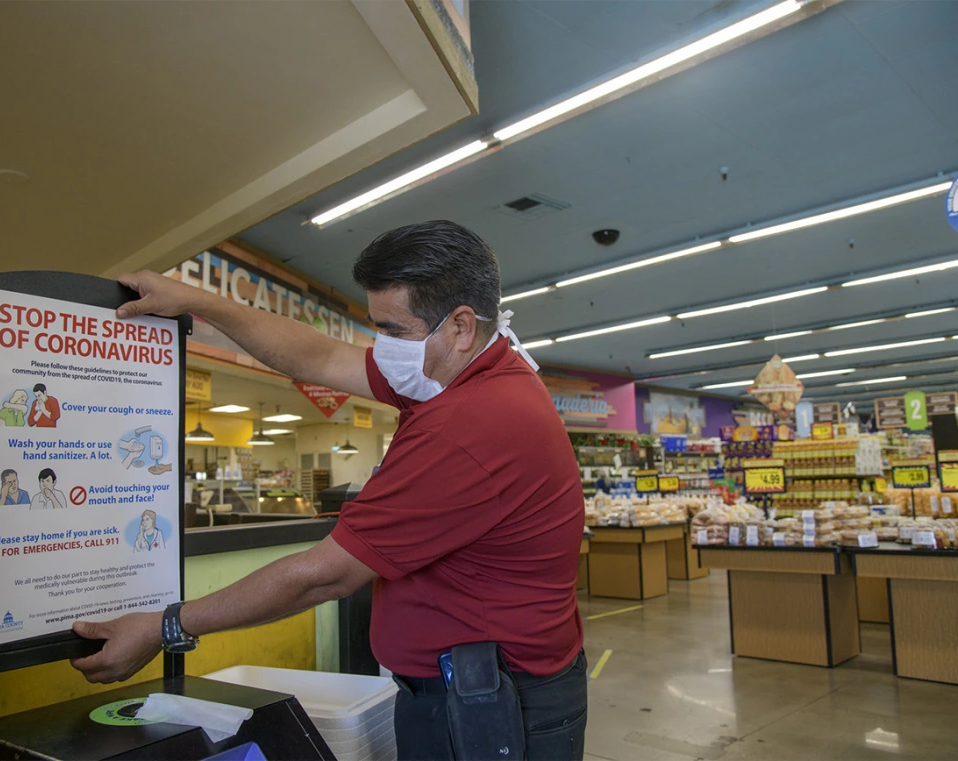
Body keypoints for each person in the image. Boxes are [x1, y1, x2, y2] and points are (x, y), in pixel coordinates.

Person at [69, 221, 586, 759]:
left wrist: (164, 626)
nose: (380, 346)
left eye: (392, 329)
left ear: (459, 326)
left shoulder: (469, 423)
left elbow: (321, 578)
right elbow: (318, 357)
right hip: (475, 684)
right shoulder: (458, 368)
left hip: (495, 706)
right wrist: (198, 301)